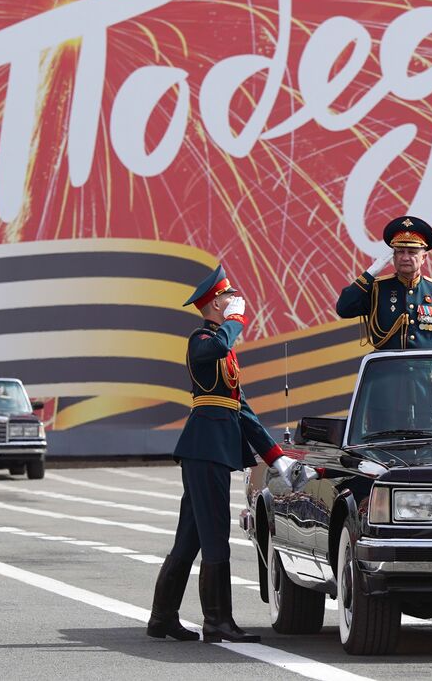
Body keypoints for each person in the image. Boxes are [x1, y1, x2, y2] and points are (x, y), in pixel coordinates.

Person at [149, 265, 315, 645]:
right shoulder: (202, 339)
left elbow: (242, 409)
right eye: (227, 297)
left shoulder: (223, 351)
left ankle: (161, 618)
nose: (234, 300)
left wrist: (277, 457)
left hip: (211, 449)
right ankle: (218, 622)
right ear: (214, 303)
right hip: (204, 449)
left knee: (190, 537)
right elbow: (220, 344)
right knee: (214, 536)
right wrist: (236, 318)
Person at [336, 216, 432, 351]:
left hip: (423, 371)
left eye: (412, 252)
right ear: (393, 256)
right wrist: (370, 274)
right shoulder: (377, 289)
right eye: (400, 252)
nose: (405, 257)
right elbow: (344, 309)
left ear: (423, 258)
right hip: (387, 370)